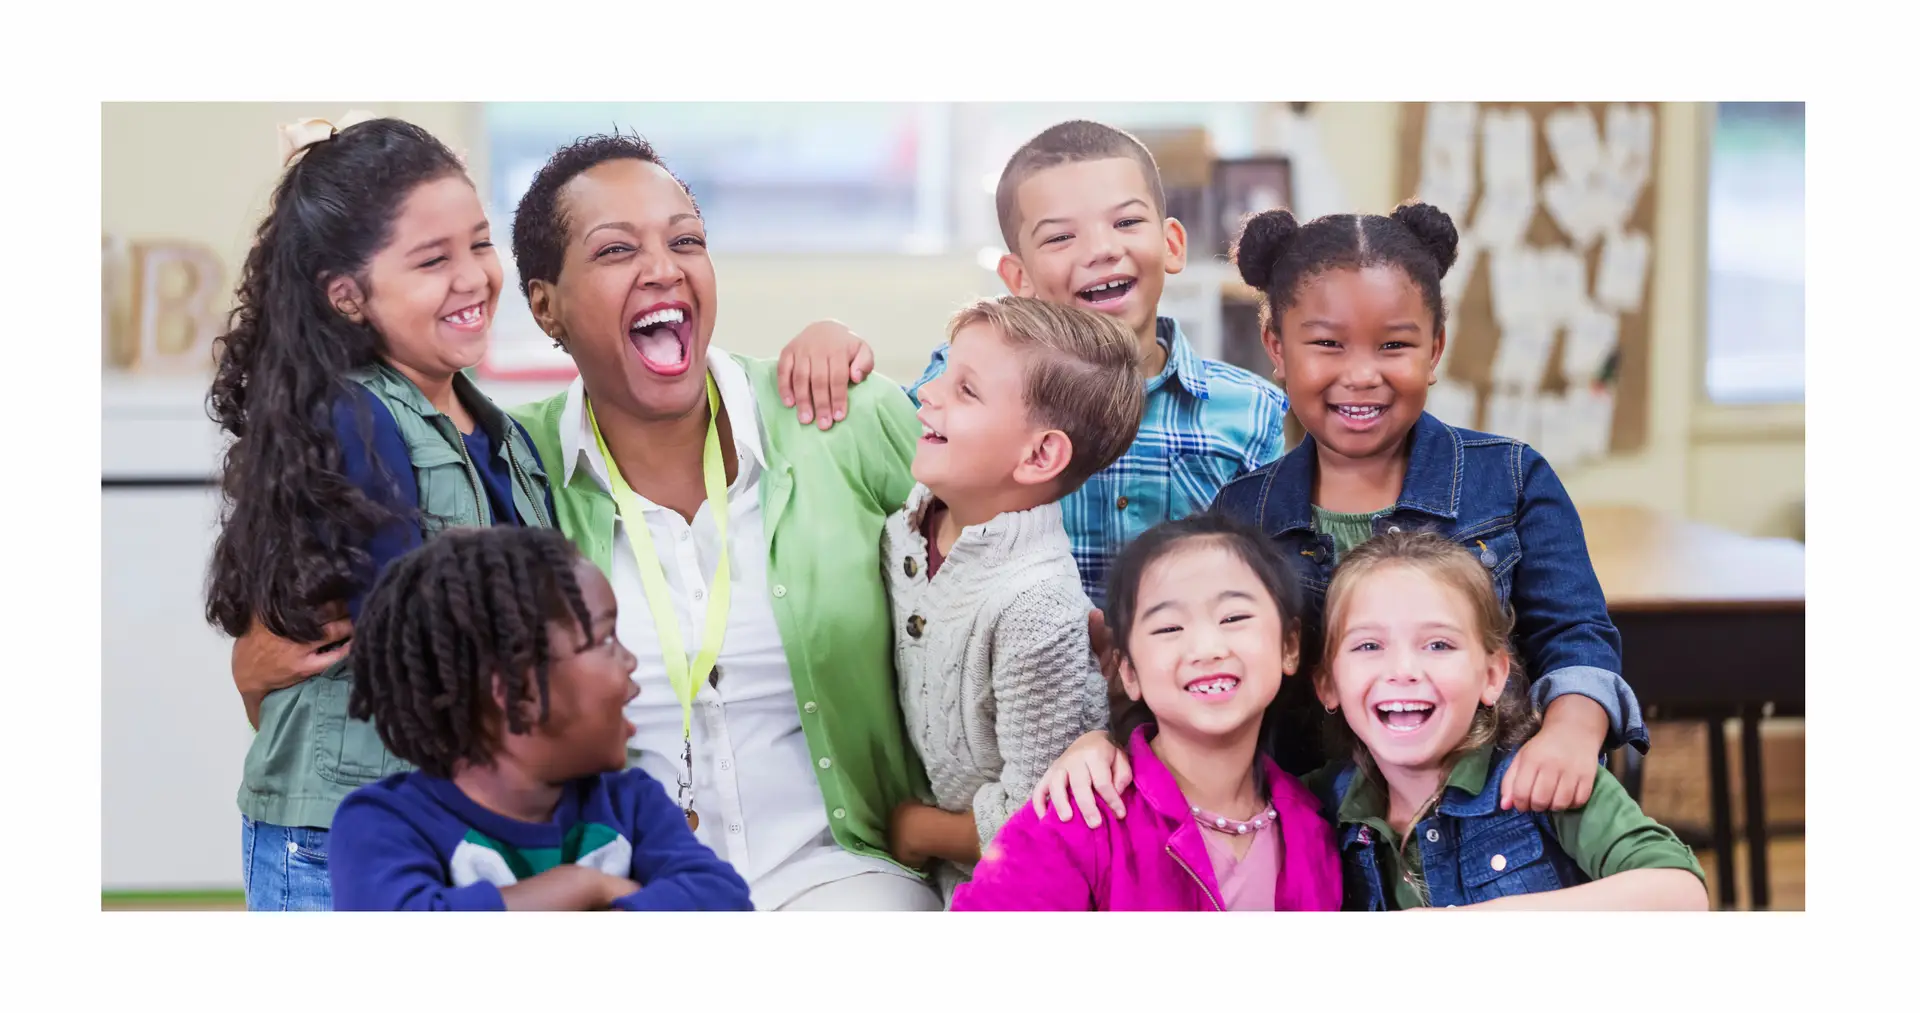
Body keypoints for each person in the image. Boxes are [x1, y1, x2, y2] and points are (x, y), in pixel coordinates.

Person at [1031, 202, 1647, 822]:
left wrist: (1572, 728)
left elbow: (1576, 635)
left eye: (1394, 345)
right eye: (1327, 344)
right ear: (1276, 347)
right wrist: (1101, 742)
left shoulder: (1510, 480)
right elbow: (1190, 671)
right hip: (1310, 845)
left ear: (1434, 350)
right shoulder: (1241, 514)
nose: (1360, 375)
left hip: (1497, 826)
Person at [502, 133, 945, 911]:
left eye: (686, 241)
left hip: (840, 872)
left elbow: (994, 540)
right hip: (629, 887)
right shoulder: (510, 466)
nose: (664, 267)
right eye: (614, 251)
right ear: (547, 305)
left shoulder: (837, 413)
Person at [207, 116, 556, 911]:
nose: (472, 276)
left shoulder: (497, 431)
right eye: (432, 260)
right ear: (347, 295)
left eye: (477, 242)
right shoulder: (352, 417)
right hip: (349, 834)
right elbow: (415, 635)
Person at [777, 119, 1290, 612]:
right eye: (1061, 237)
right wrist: (831, 341)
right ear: (1018, 276)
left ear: (1172, 244)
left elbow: (1264, 585)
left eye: (1127, 222)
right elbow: (886, 448)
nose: (1102, 250)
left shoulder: (1249, 410)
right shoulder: (960, 383)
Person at [329, 527, 753, 911]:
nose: (630, 661)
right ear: (520, 693)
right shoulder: (380, 824)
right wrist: (585, 887)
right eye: (605, 639)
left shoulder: (633, 804)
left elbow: (723, 901)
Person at [881, 295, 1143, 902]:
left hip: (1020, 891)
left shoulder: (1036, 607)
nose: (928, 394)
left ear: (1039, 455)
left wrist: (920, 832)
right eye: (944, 371)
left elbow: (1039, 816)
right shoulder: (909, 525)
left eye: (965, 391)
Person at [951, 514, 1341, 911]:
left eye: (1234, 617)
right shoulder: (1081, 816)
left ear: (1289, 647)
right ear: (1129, 672)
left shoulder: (1313, 829)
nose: (1207, 647)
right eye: (1169, 628)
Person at [1304, 531, 1706, 910]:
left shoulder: (1542, 778)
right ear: (1328, 684)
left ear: (1493, 676)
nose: (1403, 669)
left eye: (1438, 644)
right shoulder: (1314, 805)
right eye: (1369, 645)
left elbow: (1680, 892)